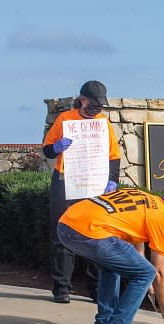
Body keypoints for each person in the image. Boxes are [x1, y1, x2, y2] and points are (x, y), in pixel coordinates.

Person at [57, 187, 164, 324]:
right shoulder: (163, 218)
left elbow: (136, 254)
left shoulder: (147, 201)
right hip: (90, 232)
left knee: (111, 267)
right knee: (147, 272)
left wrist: (151, 291)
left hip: (65, 225)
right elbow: (158, 270)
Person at [42, 80, 121, 304]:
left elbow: (113, 155)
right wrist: (56, 148)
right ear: (83, 100)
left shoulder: (103, 124)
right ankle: (61, 287)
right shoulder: (65, 119)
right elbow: (47, 149)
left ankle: (95, 288)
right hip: (65, 180)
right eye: (94, 104)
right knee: (61, 231)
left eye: (100, 105)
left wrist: (112, 181)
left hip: (94, 184)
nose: (97, 109)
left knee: (94, 234)